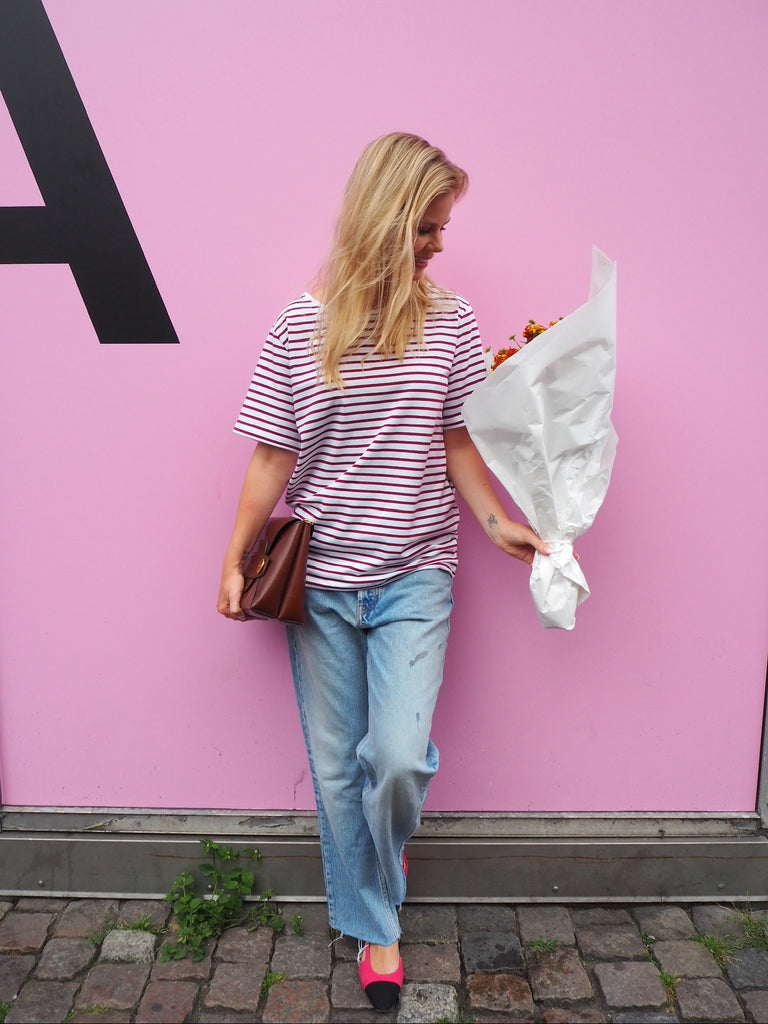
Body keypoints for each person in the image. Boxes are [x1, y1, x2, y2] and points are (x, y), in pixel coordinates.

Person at [217, 132, 549, 1013]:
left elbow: (455, 442)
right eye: (428, 229)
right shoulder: (300, 323)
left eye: (442, 229)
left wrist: (497, 523)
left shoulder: (454, 320)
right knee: (336, 770)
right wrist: (233, 556)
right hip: (320, 581)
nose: (441, 244)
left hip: (415, 576)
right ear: (383, 220)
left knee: (393, 761)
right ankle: (376, 929)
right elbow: (270, 455)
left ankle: (381, 856)